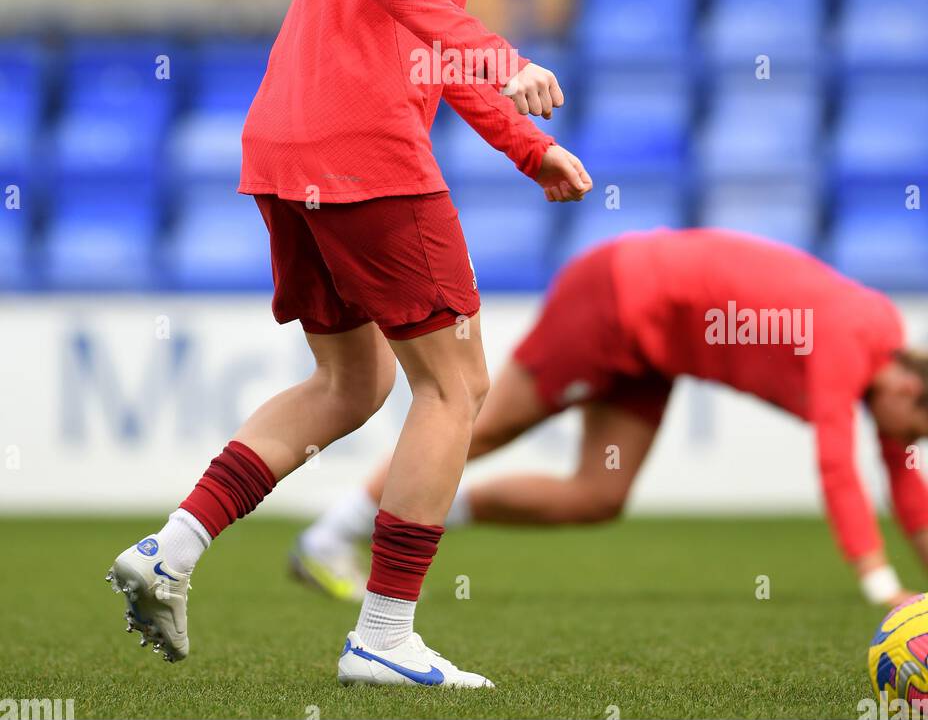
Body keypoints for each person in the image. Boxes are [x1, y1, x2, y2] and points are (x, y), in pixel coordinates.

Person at [105, 0, 592, 688]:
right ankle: (381, 633)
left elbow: (422, 18)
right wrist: (501, 55)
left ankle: (168, 550)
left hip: (293, 140)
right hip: (362, 149)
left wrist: (526, 143)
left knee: (350, 382)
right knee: (457, 388)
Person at [295, 228, 928, 612]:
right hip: (619, 297)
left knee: (599, 495)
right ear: (906, 384)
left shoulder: (883, 361)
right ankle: (330, 534)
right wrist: (878, 584)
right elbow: (838, 464)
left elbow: (902, 475)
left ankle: (415, 516)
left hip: (660, 347)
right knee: (479, 424)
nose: (904, 441)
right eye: (913, 427)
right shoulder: (853, 341)